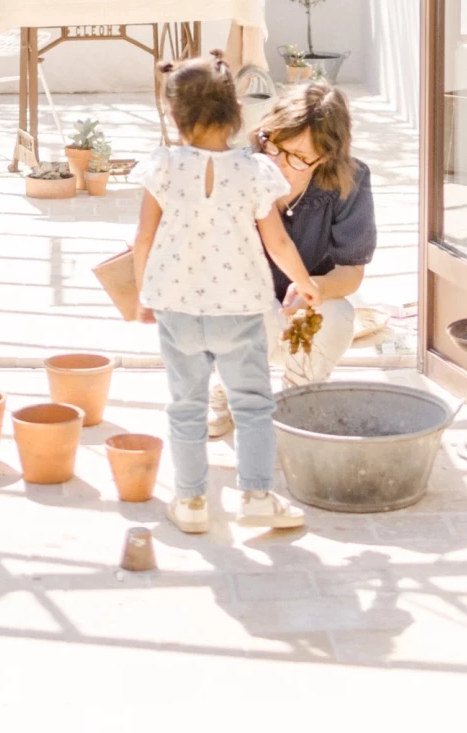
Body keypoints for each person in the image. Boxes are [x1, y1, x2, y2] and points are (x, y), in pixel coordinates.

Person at [131, 53, 321, 536]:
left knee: (186, 406)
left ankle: (192, 501)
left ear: (174, 115)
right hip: (240, 309)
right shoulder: (254, 170)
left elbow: (144, 239)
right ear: (237, 112)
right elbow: (278, 243)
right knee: (252, 405)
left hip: (177, 307)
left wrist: (143, 295)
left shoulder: (163, 166)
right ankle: (256, 497)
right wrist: (304, 282)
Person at [208, 79, 377, 438]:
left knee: (338, 314)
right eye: (275, 146)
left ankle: (298, 395)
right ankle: (227, 386)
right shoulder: (240, 169)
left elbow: (351, 272)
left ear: (326, 156)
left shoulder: (350, 180)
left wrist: (314, 287)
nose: (280, 163)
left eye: (298, 157)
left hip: (305, 308)